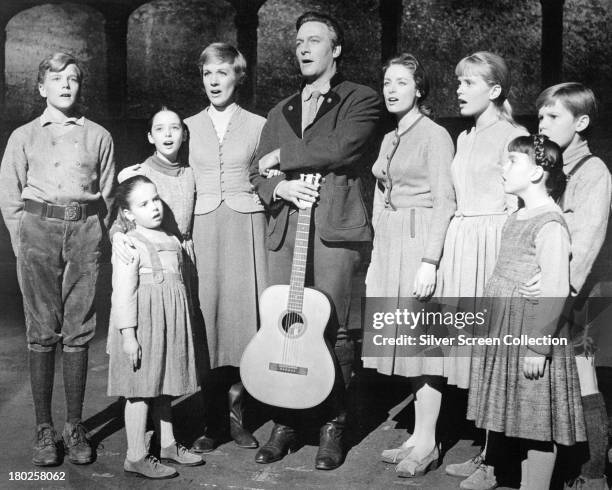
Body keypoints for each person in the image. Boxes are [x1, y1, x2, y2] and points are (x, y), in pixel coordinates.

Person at [250, 11, 382, 470]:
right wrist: (279, 187)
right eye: (299, 42)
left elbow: (342, 148)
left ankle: (333, 427)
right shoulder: (280, 109)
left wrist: (281, 157)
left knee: (338, 328)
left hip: (334, 231)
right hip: (287, 230)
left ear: (336, 48)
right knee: (287, 322)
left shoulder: (360, 98)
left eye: (314, 41)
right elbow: (256, 173)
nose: (303, 49)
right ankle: (285, 423)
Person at [0, 52, 115, 466]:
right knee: (42, 331)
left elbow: (109, 195)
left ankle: (74, 425)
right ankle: (44, 430)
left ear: (80, 87)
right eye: (56, 78)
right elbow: (10, 196)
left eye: (73, 78)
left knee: (79, 329)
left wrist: (95, 235)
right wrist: (23, 241)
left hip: (84, 232)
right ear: (41, 87)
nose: (66, 85)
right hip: (38, 231)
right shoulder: (24, 136)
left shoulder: (98, 135)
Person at [466, 134, 586, 490]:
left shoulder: (549, 222)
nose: (503, 168)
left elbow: (556, 289)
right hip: (506, 326)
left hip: (531, 330)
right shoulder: (519, 214)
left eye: (512, 162)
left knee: (536, 422)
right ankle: (503, 473)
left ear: (537, 172)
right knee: (513, 411)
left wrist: (537, 346)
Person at [360, 54, 455, 478]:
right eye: (387, 82)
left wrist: (429, 260)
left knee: (424, 344)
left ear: (420, 89)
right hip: (392, 242)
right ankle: (418, 436)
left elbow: (445, 201)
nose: (391, 89)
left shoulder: (434, 135)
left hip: (419, 242)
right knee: (406, 344)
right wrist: (379, 248)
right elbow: (382, 194)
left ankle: (430, 442)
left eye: (401, 82)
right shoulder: (390, 136)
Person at [440, 52, 527, 490]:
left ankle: (499, 464)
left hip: (492, 247)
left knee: (495, 353)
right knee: (474, 354)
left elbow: (522, 208)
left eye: (468, 82)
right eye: (457, 81)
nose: (458, 89)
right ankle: (487, 453)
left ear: (494, 90)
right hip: (462, 245)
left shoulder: (515, 137)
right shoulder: (467, 135)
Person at [525, 83, 611, 490]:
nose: (542, 124)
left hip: (581, 292)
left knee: (583, 374)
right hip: (554, 287)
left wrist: (559, 287)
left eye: (553, 117)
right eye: (540, 117)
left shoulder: (593, 172)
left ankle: (594, 471)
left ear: (582, 122)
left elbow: (587, 239)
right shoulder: (552, 167)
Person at [185, 43, 267, 453]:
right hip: (200, 228)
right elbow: (172, 175)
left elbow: (271, 176)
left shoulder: (259, 124)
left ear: (238, 76)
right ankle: (210, 422)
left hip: (246, 225)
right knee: (205, 321)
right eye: (207, 74)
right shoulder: (185, 126)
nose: (213, 82)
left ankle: (239, 420)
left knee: (242, 322)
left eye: (222, 73)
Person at [107, 175, 202, 479]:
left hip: (168, 321)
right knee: (140, 388)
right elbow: (122, 292)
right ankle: (135, 455)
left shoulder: (172, 239)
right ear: (128, 213)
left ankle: (168, 445)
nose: (154, 207)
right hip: (143, 322)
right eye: (144, 203)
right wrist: (129, 335)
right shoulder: (129, 242)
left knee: (164, 384)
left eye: (156, 199)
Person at [112, 106, 196, 303]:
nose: (167, 134)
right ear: (150, 137)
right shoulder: (141, 173)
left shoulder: (191, 173)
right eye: (159, 129)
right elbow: (122, 220)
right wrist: (116, 235)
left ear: (184, 135)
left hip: (185, 255)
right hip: (155, 259)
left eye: (174, 128)